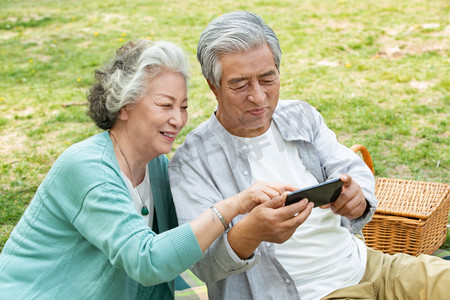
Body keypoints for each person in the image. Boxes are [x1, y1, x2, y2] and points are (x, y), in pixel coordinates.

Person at [168, 11, 450, 300]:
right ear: (213, 85)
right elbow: (203, 264)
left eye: (268, 78)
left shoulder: (300, 116)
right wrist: (252, 232)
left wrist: (357, 196)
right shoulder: (193, 162)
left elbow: (351, 167)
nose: (259, 97)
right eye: (240, 85)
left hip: (370, 266)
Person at [0, 39, 298, 300]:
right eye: (165, 105)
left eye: (183, 106)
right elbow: (148, 262)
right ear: (126, 106)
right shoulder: (87, 168)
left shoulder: (157, 168)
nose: (178, 120)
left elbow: (175, 255)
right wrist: (231, 206)